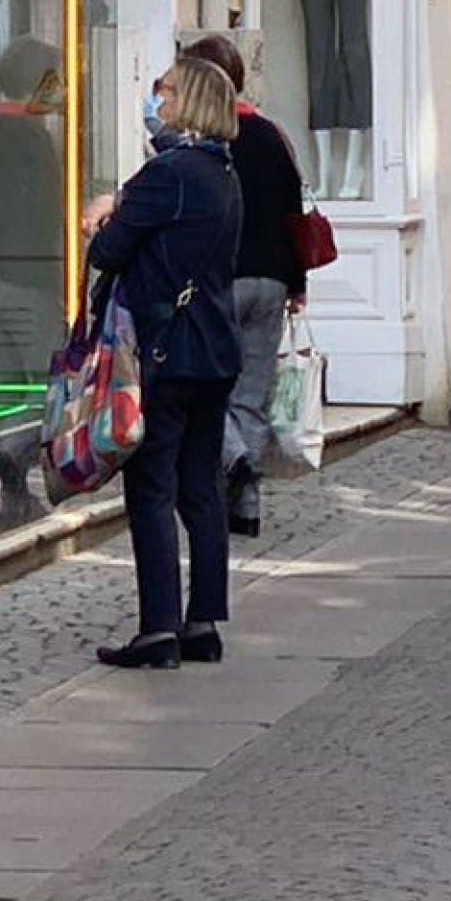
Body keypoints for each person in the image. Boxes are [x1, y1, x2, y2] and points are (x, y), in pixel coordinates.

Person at [85, 53, 246, 670]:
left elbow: (109, 250)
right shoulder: (223, 173)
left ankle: (158, 629)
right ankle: (202, 621)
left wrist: (106, 217)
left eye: (168, 91)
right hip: (214, 348)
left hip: (165, 351)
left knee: (151, 488)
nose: (160, 100)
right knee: (200, 487)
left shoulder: (171, 173)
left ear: (191, 101)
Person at [181, 35, 313, 538]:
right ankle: (246, 503)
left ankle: (233, 458)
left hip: (223, 281)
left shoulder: (208, 142)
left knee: (202, 390)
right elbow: (293, 214)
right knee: (251, 394)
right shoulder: (273, 136)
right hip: (271, 281)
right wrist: (296, 283)